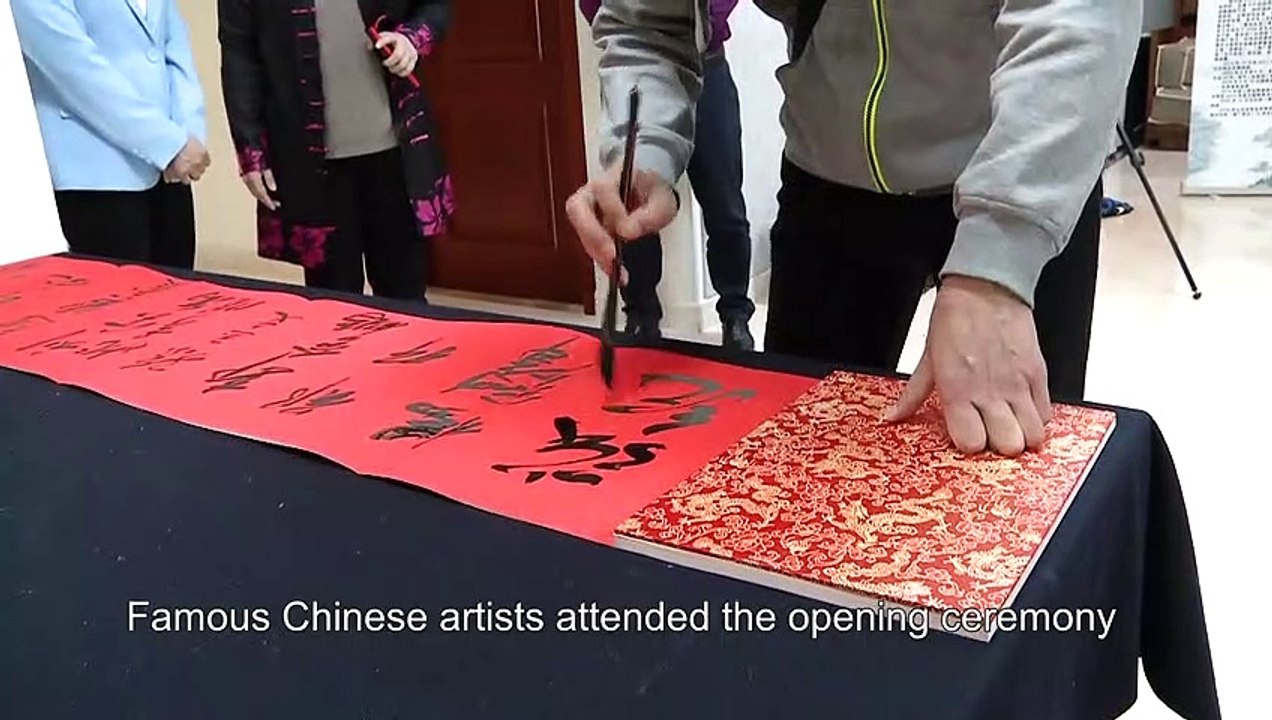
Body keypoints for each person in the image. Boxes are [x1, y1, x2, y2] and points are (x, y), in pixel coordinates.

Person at [567, 0, 1140, 457]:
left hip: (1019, 169)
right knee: (803, 468)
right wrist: (644, 145)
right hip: (829, 188)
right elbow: (649, 21)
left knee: (1012, 483)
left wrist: (999, 259)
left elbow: (1076, 17)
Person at [218, 0, 453, 302]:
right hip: (310, 161)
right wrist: (250, 148)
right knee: (333, 302)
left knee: (405, 296)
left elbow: (434, 5)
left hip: (396, 152)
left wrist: (411, 40)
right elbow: (239, 51)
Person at [579, 0, 756, 350]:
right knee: (633, 199)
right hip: (637, 69)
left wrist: (701, 22)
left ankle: (735, 316)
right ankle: (641, 316)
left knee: (725, 206)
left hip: (708, 68)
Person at [11, 0, 210, 270]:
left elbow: (174, 44)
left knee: (181, 289)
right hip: (95, 176)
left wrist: (189, 130)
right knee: (114, 294)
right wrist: (167, 143)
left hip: (169, 171)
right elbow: (76, 69)